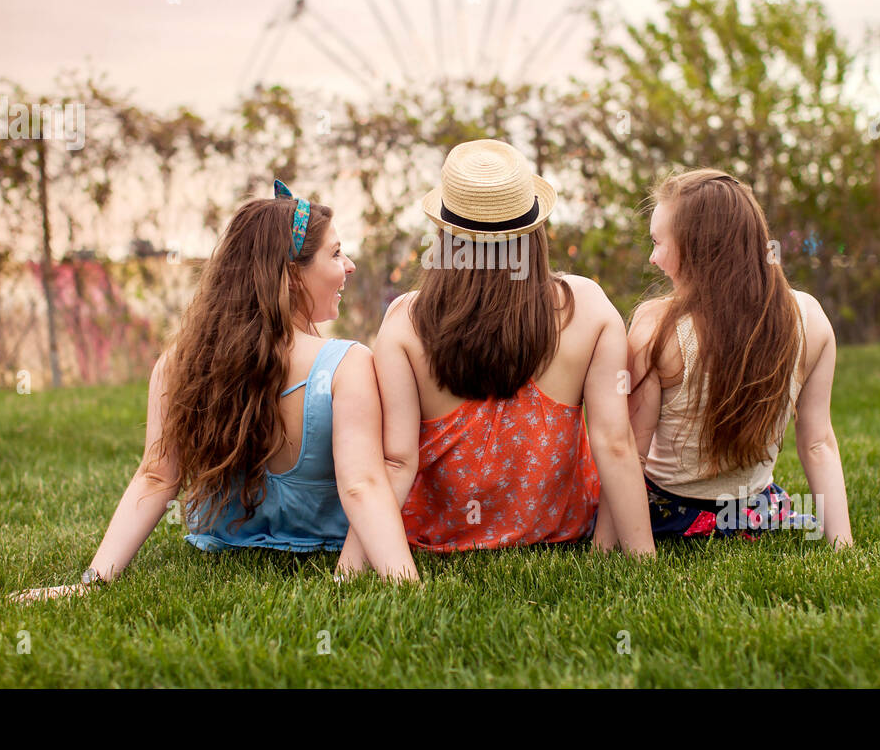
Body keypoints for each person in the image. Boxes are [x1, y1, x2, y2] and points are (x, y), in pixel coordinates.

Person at [10, 181, 418, 602]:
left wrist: (90, 583)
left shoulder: (181, 362)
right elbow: (363, 485)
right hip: (324, 546)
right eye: (335, 253)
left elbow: (155, 477)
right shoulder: (347, 365)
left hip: (225, 546)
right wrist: (405, 586)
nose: (348, 265)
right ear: (293, 275)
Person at [335, 139, 655, 573]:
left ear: (446, 236)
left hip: (440, 534)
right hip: (556, 528)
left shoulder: (406, 320)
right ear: (534, 231)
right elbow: (615, 444)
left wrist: (349, 570)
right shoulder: (589, 306)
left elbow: (396, 460)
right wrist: (643, 561)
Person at [597, 167, 853, 548]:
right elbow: (818, 445)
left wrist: (610, 549)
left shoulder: (657, 325)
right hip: (759, 515)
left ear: (697, 248)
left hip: (670, 518)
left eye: (658, 243)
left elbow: (629, 453)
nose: (652, 258)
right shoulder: (809, 317)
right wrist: (842, 545)